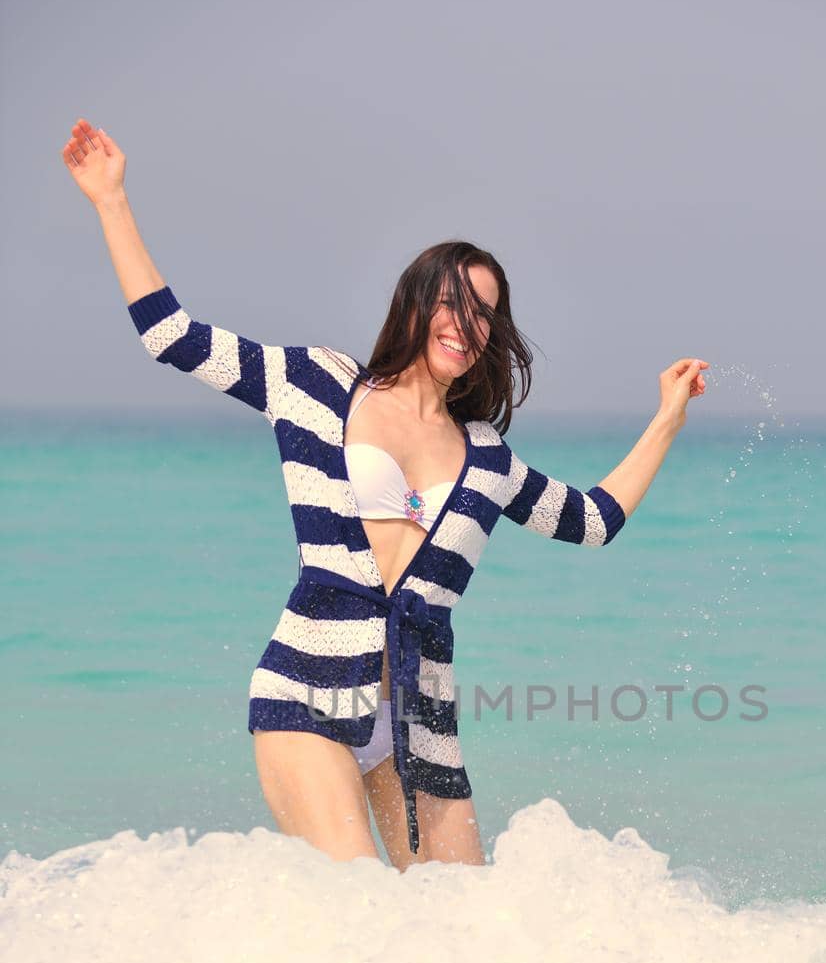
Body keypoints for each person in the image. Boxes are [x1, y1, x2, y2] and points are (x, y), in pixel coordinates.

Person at [61, 116, 708, 870]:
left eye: (484, 315)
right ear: (415, 303)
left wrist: (667, 417)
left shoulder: (487, 458)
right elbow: (171, 335)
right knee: (360, 904)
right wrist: (111, 200)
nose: (465, 325)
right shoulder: (316, 384)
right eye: (452, 303)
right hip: (308, 686)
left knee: (462, 929)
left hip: (419, 720)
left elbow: (593, 520)